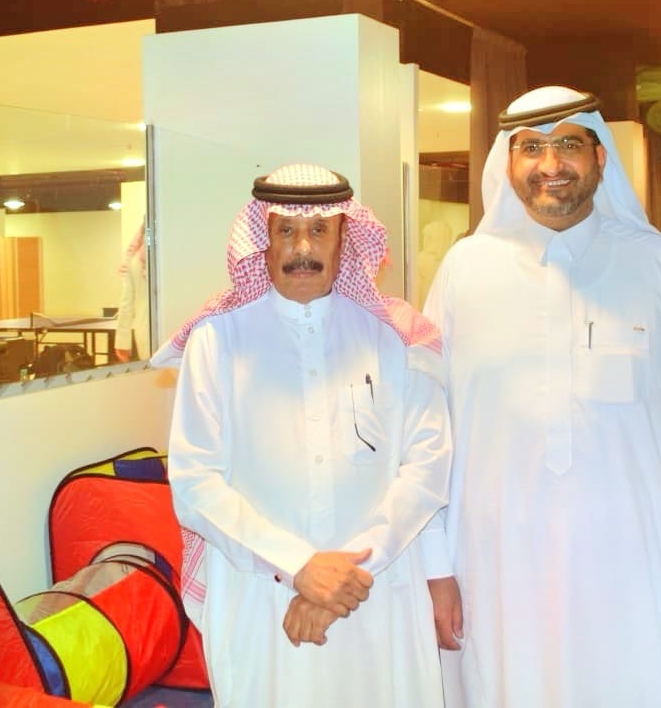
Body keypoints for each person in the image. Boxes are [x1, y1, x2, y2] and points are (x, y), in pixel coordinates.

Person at [421, 85, 661, 707]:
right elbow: (428, 430)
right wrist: (434, 567)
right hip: (494, 572)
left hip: (639, 569)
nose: (550, 164)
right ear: (507, 162)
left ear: (601, 157)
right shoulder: (464, 271)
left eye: (569, 144)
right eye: (531, 148)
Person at [157, 163, 452, 708]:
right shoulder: (218, 341)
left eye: (319, 230)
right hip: (259, 595)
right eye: (285, 231)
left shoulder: (395, 337)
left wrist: (345, 577)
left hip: (377, 590)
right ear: (262, 243)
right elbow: (195, 483)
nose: (302, 249)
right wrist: (296, 566)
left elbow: (427, 466)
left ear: (344, 240)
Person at [114, 218, 149, 362]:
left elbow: (126, 303)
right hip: (177, 329)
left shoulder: (133, 259)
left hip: (145, 332)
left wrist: (122, 341)